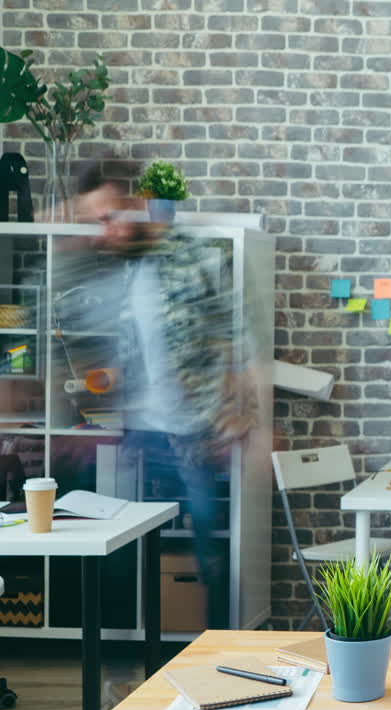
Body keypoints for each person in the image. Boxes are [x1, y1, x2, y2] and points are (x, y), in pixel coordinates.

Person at [75, 168, 259, 629]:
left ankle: (221, 650)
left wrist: (243, 411)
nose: (106, 231)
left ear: (137, 204)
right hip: (141, 430)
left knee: (207, 551)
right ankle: (121, 671)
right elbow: (141, 344)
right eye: (97, 222)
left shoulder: (196, 257)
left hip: (192, 431)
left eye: (110, 217)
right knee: (114, 551)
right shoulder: (129, 265)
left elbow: (236, 338)